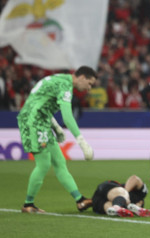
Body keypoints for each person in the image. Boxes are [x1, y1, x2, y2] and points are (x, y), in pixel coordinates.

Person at [17, 66, 97, 213]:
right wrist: (82, 142)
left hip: (41, 120)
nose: (89, 88)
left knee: (60, 162)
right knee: (44, 164)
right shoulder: (65, 85)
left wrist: (55, 126)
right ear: (82, 77)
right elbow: (67, 117)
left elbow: (40, 101)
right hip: (33, 121)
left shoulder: (60, 79)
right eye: (90, 83)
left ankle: (80, 200)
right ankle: (28, 204)